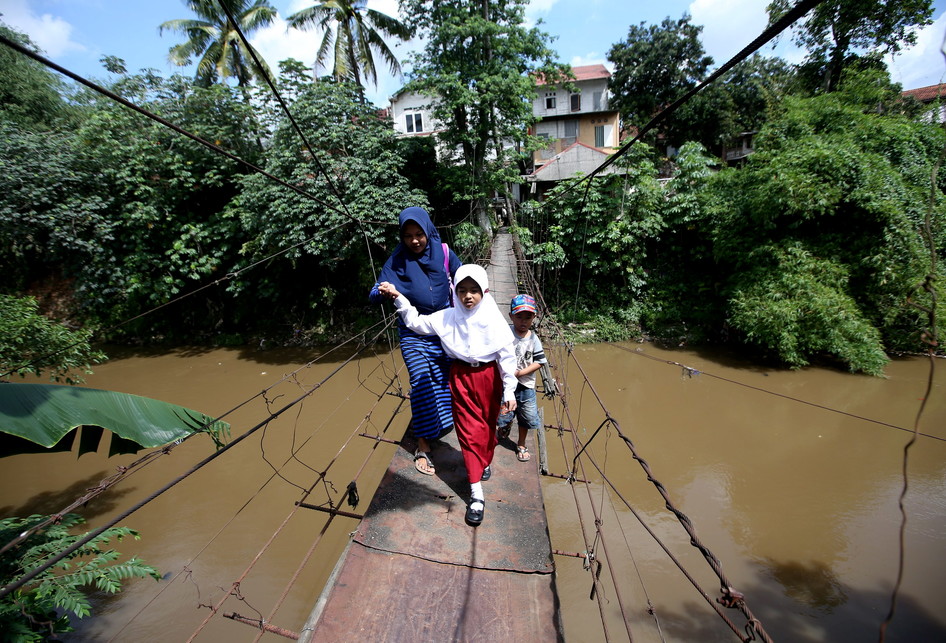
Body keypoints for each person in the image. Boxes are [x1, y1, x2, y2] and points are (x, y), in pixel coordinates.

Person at [378, 265, 517, 527]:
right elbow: (416, 323)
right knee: (468, 432)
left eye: (474, 291)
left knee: (486, 429)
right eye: (462, 290)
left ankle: (483, 461)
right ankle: (476, 494)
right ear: (455, 292)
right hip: (461, 378)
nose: (468, 296)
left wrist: (510, 389)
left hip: (489, 378)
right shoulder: (447, 317)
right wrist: (398, 296)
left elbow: (507, 356)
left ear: (484, 291)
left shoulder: (494, 319)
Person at [369, 207, 461, 476]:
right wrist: (385, 291)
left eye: (419, 234)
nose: (414, 241)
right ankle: (423, 445)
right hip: (413, 331)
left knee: (444, 383)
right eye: (408, 236)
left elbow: (465, 277)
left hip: (444, 328)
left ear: (428, 231)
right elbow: (374, 293)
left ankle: (436, 428)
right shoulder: (397, 260)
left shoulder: (443, 252)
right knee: (421, 383)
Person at [496, 294, 547, 463]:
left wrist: (520, 373)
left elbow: (540, 362)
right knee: (504, 413)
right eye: (519, 316)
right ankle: (506, 426)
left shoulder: (533, 339)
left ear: (534, 317)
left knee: (526, 417)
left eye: (528, 317)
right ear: (511, 316)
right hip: (505, 384)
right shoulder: (505, 333)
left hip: (526, 386)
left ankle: (521, 443)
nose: (523, 321)